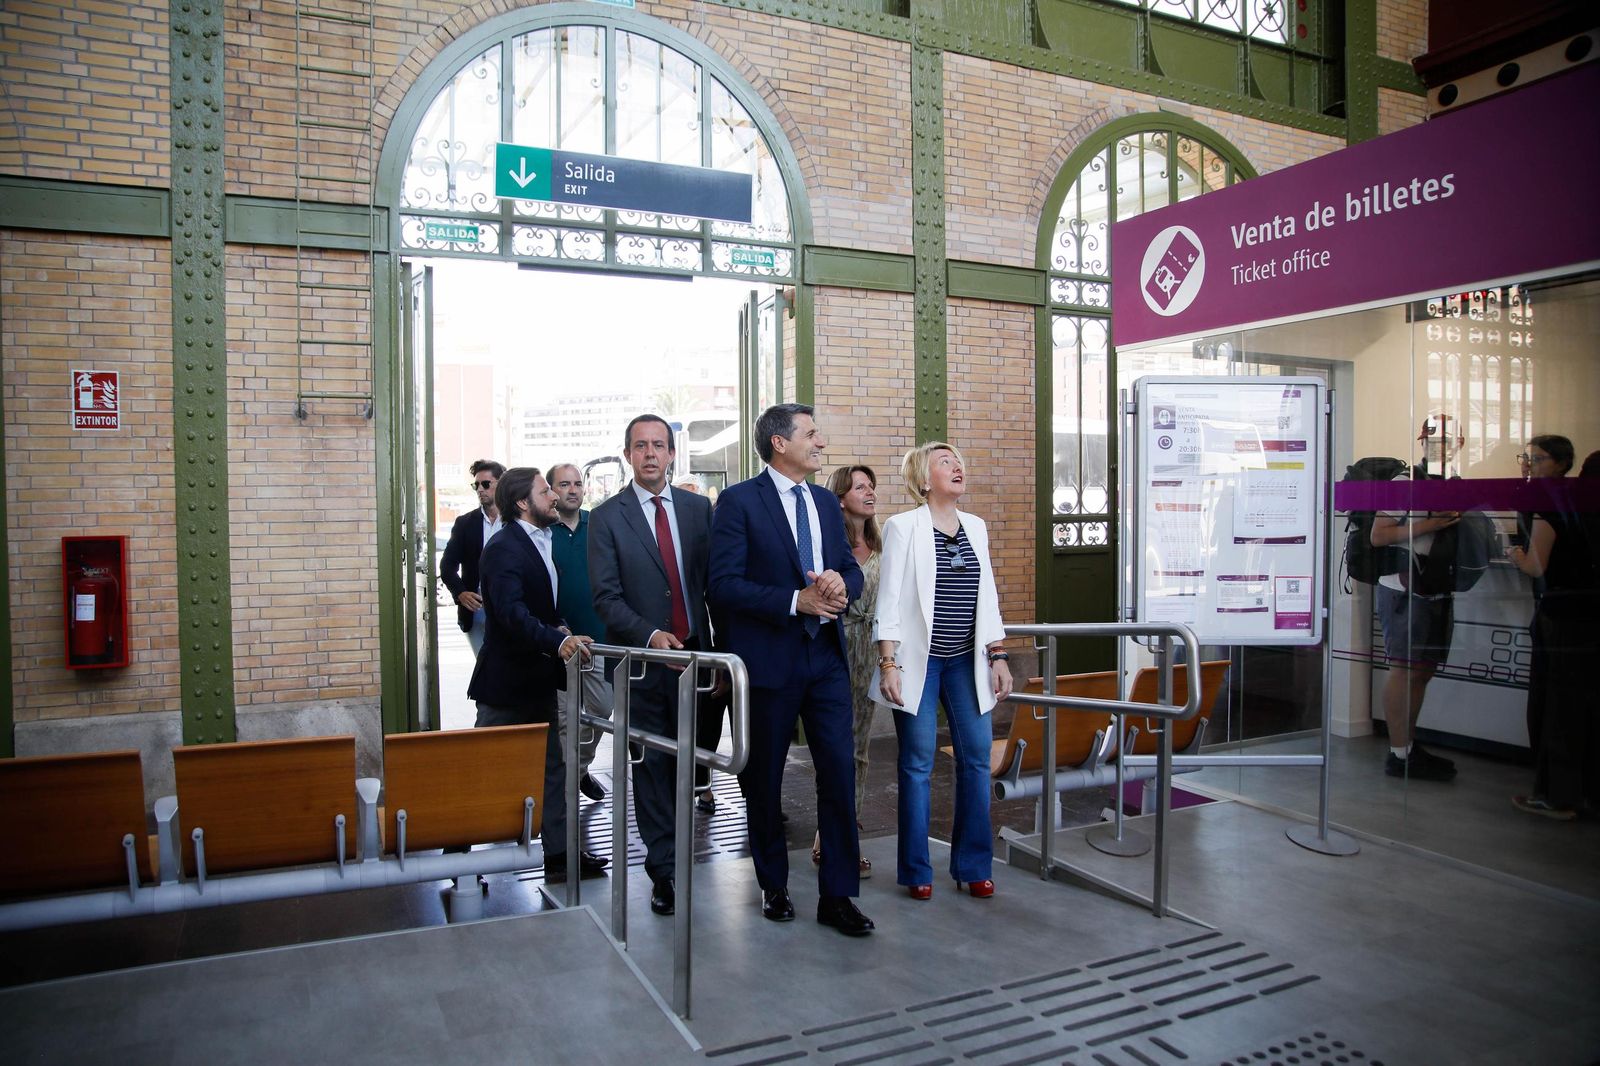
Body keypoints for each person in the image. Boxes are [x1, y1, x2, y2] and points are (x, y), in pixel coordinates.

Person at [708, 403, 873, 937]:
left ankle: (839, 894)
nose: (819, 442)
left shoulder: (826, 502)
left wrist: (845, 586)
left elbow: (849, 565)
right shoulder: (737, 503)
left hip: (825, 660)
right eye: (810, 433)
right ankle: (773, 885)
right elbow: (724, 584)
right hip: (767, 663)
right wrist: (792, 601)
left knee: (840, 774)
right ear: (779, 443)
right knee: (764, 781)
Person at [872, 442, 1010, 900]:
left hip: (965, 661)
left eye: (960, 461)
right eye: (946, 461)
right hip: (920, 663)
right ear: (924, 479)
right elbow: (887, 601)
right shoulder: (902, 527)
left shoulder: (976, 527)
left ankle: (973, 865)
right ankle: (916, 870)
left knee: (975, 758)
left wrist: (998, 654)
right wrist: (889, 662)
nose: (958, 466)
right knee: (917, 762)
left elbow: (985, 597)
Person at [589, 415, 714, 917]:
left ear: (671, 454)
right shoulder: (607, 516)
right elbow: (605, 597)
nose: (650, 454)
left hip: (700, 661)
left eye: (658, 446)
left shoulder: (698, 510)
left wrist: (722, 656)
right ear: (627, 455)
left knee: (696, 764)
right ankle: (663, 871)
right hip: (643, 665)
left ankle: (688, 855)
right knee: (653, 769)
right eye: (640, 446)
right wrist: (647, 635)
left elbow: (714, 585)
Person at [467, 467, 608, 880]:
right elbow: (510, 613)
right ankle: (458, 853)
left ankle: (561, 858)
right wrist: (554, 640)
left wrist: (560, 629)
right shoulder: (503, 547)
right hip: (505, 686)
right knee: (484, 774)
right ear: (524, 503)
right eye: (546, 491)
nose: (554, 496)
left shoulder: (542, 540)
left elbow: (539, 609)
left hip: (539, 680)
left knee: (553, 771)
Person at [1506, 435, 1597, 819]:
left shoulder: (1556, 507)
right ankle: (1583, 792)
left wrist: (1516, 554)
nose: (1532, 464)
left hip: (1560, 614)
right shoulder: (1581, 508)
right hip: (1588, 614)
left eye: (1537, 458)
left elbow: (1536, 566)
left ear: (1562, 463)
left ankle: (1556, 795)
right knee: (1583, 707)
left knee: (1556, 706)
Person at [1368, 414, 1462, 782]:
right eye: (1433, 441)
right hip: (1404, 588)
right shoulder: (1405, 482)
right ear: (1422, 442)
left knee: (1422, 672)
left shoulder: (1452, 484)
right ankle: (1398, 752)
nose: (1440, 448)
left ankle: (1407, 745)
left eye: (1448, 441)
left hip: (1436, 586)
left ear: (1460, 444)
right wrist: (1431, 524)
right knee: (1404, 670)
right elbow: (1379, 535)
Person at [812, 464, 882, 878]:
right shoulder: (827, 544)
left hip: (872, 654)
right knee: (836, 748)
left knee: (859, 749)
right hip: (837, 648)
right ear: (841, 497)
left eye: (871, 486)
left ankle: (844, 834)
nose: (870, 492)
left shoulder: (883, 543)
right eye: (860, 487)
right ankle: (833, 836)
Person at [548, 462, 611, 804]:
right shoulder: (543, 529)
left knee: (602, 709)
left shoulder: (598, 524)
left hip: (600, 639)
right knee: (564, 719)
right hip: (560, 644)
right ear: (551, 490)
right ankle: (565, 790)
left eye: (576, 484)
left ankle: (580, 767)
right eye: (563, 484)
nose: (572, 490)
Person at [440, 460, 504, 657]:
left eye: (486, 484)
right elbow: (447, 565)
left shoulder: (517, 520)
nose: (480, 489)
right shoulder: (465, 523)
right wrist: (460, 593)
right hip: (477, 612)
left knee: (509, 671)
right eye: (476, 485)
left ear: (501, 484)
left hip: (509, 608)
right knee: (484, 668)